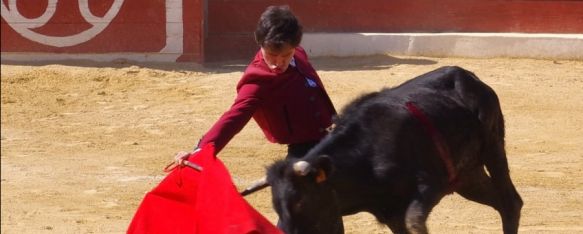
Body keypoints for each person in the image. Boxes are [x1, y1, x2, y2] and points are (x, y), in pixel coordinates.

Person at [173, 5, 336, 167]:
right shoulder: (257, 80)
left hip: (337, 134)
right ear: (260, 45)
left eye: (286, 55)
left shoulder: (299, 53)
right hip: (305, 148)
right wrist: (200, 150)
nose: (278, 63)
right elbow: (233, 118)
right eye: (271, 55)